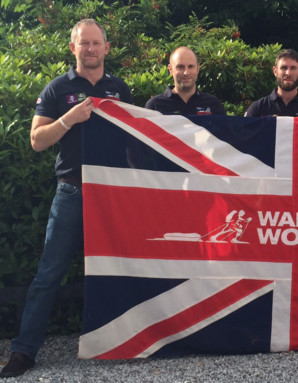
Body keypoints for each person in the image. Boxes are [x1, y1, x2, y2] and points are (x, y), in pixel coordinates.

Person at [0, 19, 132, 378]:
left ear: (106, 48)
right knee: (48, 275)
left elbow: (134, 143)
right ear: (73, 48)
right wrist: (69, 119)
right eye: (83, 43)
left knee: (120, 269)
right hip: (72, 191)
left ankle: (128, 343)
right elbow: (37, 140)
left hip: (112, 194)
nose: (90, 49)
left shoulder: (120, 89)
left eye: (96, 43)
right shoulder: (58, 89)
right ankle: (24, 352)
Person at [145, 46, 226, 115]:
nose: (186, 72)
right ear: (170, 70)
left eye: (190, 66)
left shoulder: (213, 105)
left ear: (197, 69)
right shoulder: (155, 106)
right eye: (180, 67)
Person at [244, 49, 298, 117]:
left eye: (293, 68)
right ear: (275, 71)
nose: (288, 73)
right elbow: (243, 134)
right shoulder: (258, 109)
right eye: (283, 68)